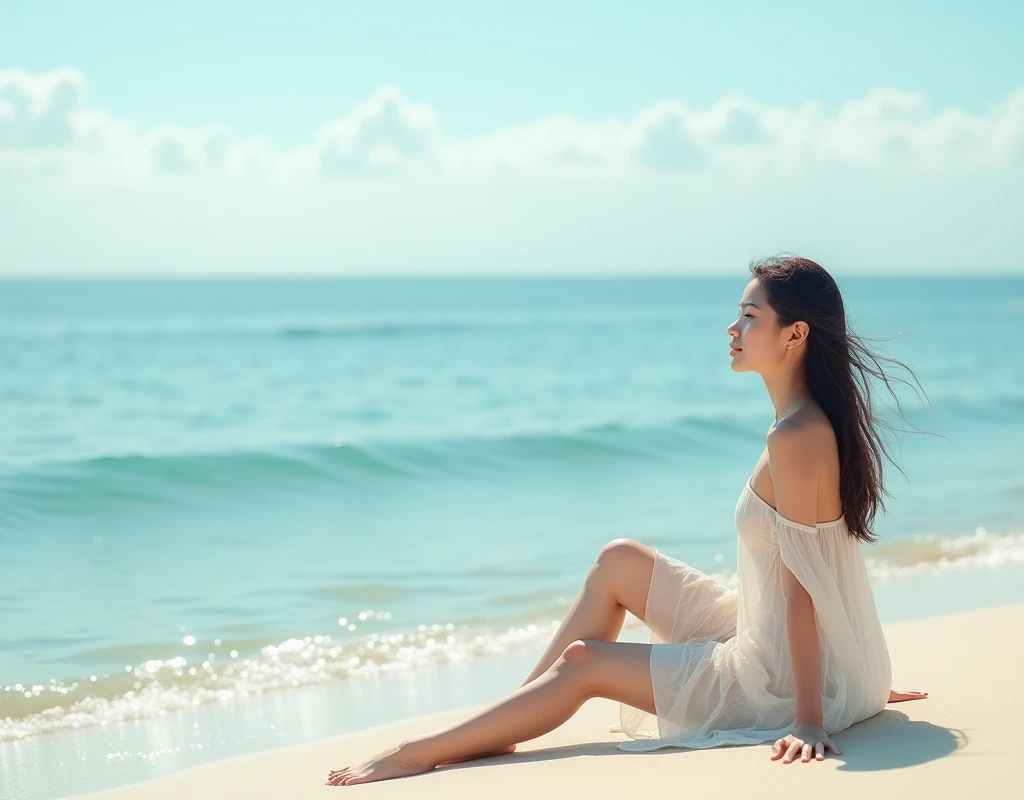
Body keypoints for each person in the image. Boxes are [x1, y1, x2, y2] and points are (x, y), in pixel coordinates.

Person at [327, 255, 930, 786]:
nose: (732, 327)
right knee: (619, 559)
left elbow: (805, 587)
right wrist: (855, 676)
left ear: (794, 334)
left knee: (585, 662)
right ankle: (512, 717)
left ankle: (420, 753)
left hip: (770, 681)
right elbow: (832, 563)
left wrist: (812, 716)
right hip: (769, 633)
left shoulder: (796, 435)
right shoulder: (810, 419)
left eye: (749, 315)